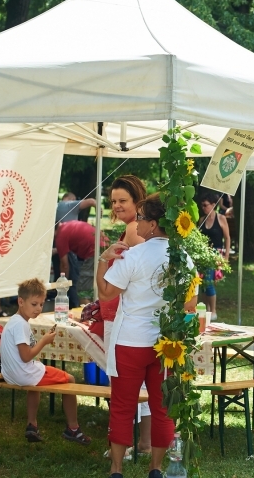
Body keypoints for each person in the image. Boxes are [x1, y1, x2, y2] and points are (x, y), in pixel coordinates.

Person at [96, 193, 196, 478]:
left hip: (130, 341)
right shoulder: (183, 257)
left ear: (153, 224)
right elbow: (190, 305)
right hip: (166, 344)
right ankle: (156, 468)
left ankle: (116, 469)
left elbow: (106, 294)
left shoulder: (134, 254)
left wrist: (104, 260)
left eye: (140, 218)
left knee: (123, 405)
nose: (135, 223)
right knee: (162, 407)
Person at [97, 175, 151, 460]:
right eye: (113, 201)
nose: (116, 206)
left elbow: (138, 275)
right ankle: (142, 442)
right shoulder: (134, 228)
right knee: (139, 384)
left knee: (123, 383)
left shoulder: (133, 231)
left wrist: (103, 262)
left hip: (124, 313)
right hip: (125, 312)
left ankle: (127, 445)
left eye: (123, 201)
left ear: (137, 202)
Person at [0, 278, 91, 445]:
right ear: (21, 301)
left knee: (36, 383)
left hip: (11, 373)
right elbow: (26, 356)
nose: (38, 309)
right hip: (23, 374)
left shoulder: (13, 321)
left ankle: (32, 424)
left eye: (41, 304)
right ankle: (73, 429)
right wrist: (44, 341)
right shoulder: (21, 325)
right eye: (34, 304)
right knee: (70, 379)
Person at [55, 220, 107, 308]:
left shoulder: (60, 236)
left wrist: (64, 284)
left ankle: (88, 317)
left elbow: (65, 265)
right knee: (99, 288)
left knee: (83, 291)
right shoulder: (68, 225)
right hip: (106, 248)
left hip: (94, 253)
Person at [197, 193, 231, 321]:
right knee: (204, 284)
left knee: (210, 283)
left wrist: (226, 257)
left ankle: (213, 311)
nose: (203, 208)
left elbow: (227, 238)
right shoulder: (201, 220)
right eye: (202, 205)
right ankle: (206, 309)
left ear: (213, 205)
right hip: (204, 255)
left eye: (206, 205)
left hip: (216, 254)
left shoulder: (221, 218)